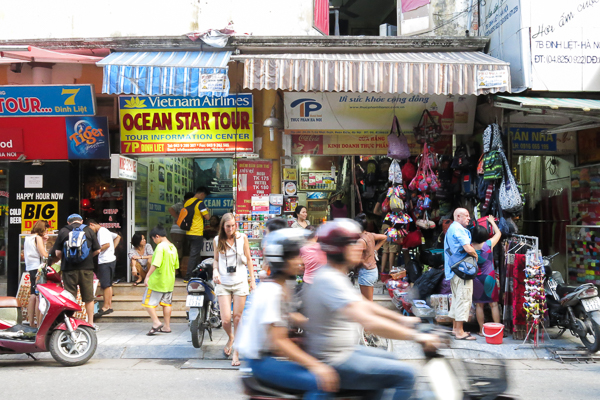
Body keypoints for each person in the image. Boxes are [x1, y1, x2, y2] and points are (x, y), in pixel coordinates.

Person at [303, 219, 439, 400]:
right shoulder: (330, 279)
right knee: (406, 375)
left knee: (390, 359)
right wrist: (417, 336)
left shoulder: (334, 274)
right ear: (339, 249)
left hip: (344, 351)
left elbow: (363, 303)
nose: (360, 247)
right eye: (353, 243)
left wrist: (403, 319)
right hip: (337, 360)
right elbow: (368, 321)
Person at [237, 229, 339, 399]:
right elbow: (280, 341)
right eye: (294, 257)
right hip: (262, 363)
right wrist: (317, 366)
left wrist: (319, 326)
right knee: (322, 383)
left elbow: (290, 316)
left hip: (264, 359)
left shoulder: (280, 286)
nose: (301, 261)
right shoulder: (273, 292)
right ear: (281, 260)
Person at [213, 213, 256, 366]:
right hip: (223, 283)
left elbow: (249, 258)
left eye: (232, 226)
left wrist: (252, 280)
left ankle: (236, 352)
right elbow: (216, 260)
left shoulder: (242, 238)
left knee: (237, 318)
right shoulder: (217, 240)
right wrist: (215, 271)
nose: (230, 229)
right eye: (227, 226)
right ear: (222, 227)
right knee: (225, 319)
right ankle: (231, 337)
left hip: (240, 282)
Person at [52, 214, 101, 326]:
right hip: (86, 269)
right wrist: (87, 257)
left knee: (70, 297)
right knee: (89, 298)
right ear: (81, 221)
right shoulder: (88, 230)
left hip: (68, 269)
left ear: (68, 222)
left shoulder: (63, 231)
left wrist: (65, 260)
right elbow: (98, 250)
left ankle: (70, 322)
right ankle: (90, 323)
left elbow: (57, 253)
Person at [444, 208, 478, 341]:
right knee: (463, 299)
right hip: (463, 271)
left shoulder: (452, 228)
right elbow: (467, 248)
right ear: (458, 216)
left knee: (457, 298)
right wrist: (475, 256)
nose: (469, 218)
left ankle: (455, 328)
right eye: (467, 216)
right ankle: (460, 332)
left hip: (454, 270)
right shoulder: (458, 229)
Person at [142, 225, 179, 335]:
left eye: (153, 239)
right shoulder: (173, 247)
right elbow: (176, 266)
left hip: (157, 281)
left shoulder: (160, 247)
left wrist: (147, 276)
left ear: (157, 236)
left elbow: (156, 264)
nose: (154, 241)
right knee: (166, 304)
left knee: (147, 302)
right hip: (169, 281)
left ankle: (156, 322)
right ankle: (167, 326)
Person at [471, 216, 502, 336]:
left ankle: (481, 330)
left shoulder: (470, 247)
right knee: (494, 304)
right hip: (489, 278)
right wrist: (492, 222)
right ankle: (498, 330)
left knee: (479, 305)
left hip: (476, 279)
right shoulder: (488, 244)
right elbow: (498, 233)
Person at [88, 220, 121, 318]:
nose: (90, 231)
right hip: (110, 259)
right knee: (108, 284)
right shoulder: (105, 230)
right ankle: (109, 305)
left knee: (105, 284)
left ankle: (106, 306)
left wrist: (96, 252)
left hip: (105, 261)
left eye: (90, 229)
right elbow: (118, 237)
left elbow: (106, 244)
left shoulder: (102, 231)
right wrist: (112, 250)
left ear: (92, 224)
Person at [354, 213, 387, 301]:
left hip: (366, 272)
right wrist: (375, 249)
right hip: (372, 270)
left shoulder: (361, 241)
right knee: (368, 301)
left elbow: (356, 260)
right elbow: (384, 237)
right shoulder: (370, 235)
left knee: (367, 303)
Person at [23, 220, 49, 327]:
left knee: (33, 294)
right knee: (39, 295)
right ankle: (39, 323)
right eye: (46, 229)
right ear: (42, 229)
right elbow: (43, 254)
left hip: (30, 267)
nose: (47, 231)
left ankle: (31, 322)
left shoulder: (27, 238)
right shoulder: (37, 238)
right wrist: (46, 246)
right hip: (38, 268)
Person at [185, 187, 211, 281]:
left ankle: (195, 274)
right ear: (202, 194)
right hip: (197, 232)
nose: (203, 198)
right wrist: (207, 210)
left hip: (188, 232)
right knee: (193, 255)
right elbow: (207, 217)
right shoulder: (200, 203)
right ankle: (188, 276)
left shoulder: (188, 202)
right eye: (204, 196)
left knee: (194, 255)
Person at [168, 191, 194, 262]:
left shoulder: (191, 206)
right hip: (177, 231)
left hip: (186, 232)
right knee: (178, 250)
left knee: (185, 251)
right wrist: (178, 218)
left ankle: (182, 269)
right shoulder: (180, 205)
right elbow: (170, 209)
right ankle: (176, 270)